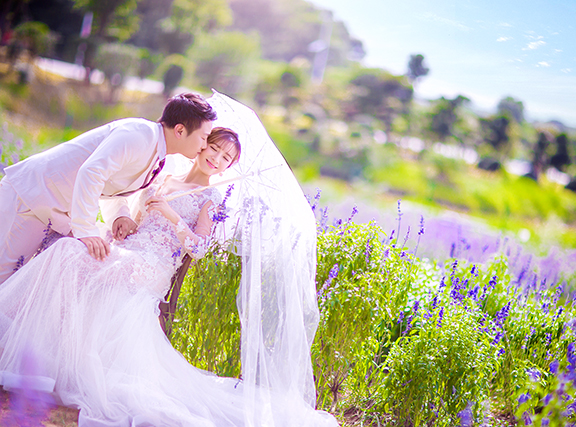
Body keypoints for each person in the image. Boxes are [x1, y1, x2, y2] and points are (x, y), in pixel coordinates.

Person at [0, 125, 338, 427]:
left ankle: (36, 354)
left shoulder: (212, 198)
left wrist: (170, 213)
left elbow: (199, 248)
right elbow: (136, 220)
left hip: (153, 265)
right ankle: (45, 354)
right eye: (214, 149)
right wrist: (126, 224)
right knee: (69, 252)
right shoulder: (164, 179)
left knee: (69, 253)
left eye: (226, 158)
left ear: (230, 166)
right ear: (202, 146)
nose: (217, 159)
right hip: (130, 249)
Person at [0, 92, 216, 285]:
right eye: (204, 137)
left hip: (51, 210)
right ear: (180, 130)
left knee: (18, 281)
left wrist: (120, 215)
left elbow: (110, 183)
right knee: (6, 276)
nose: (204, 146)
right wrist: (86, 231)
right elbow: (92, 172)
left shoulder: (157, 153)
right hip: (31, 195)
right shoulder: (139, 135)